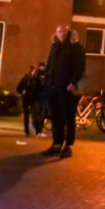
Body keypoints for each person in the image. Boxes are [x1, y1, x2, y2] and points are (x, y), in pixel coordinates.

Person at [42, 26, 86, 157]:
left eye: (64, 32)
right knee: (55, 116)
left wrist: (73, 82)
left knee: (68, 116)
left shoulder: (76, 48)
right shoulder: (54, 47)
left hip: (66, 87)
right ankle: (56, 144)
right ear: (56, 33)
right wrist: (46, 81)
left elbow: (80, 66)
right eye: (59, 31)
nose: (61, 34)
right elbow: (50, 64)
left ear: (69, 33)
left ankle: (68, 146)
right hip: (53, 86)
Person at [16, 65, 43, 137]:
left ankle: (37, 131)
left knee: (35, 115)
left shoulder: (37, 80)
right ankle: (26, 131)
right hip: (26, 98)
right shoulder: (25, 79)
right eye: (34, 71)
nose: (35, 73)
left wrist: (37, 95)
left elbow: (40, 89)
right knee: (26, 115)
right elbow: (18, 88)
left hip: (33, 99)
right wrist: (22, 92)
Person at [34, 62, 49, 139]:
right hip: (40, 97)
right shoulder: (40, 77)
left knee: (39, 115)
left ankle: (38, 130)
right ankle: (38, 131)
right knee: (40, 115)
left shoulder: (36, 76)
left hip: (39, 97)